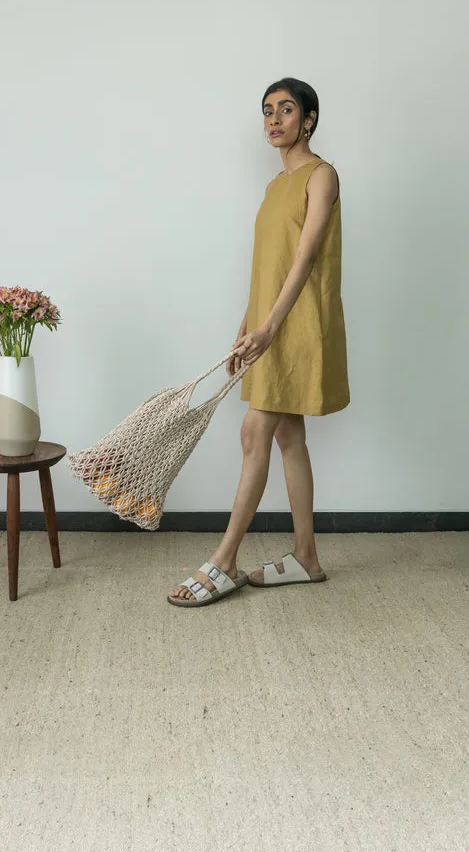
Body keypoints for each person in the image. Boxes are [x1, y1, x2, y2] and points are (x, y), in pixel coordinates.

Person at [168, 77, 350, 607]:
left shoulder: (322, 177)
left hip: (297, 325)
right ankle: (307, 557)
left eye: (286, 109)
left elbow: (305, 259)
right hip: (269, 324)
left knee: (254, 430)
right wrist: (246, 328)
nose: (274, 119)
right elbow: (266, 268)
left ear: (308, 119)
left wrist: (270, 328)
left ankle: (224, 559)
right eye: (267, 110)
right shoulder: (274, 187)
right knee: (289, 438)